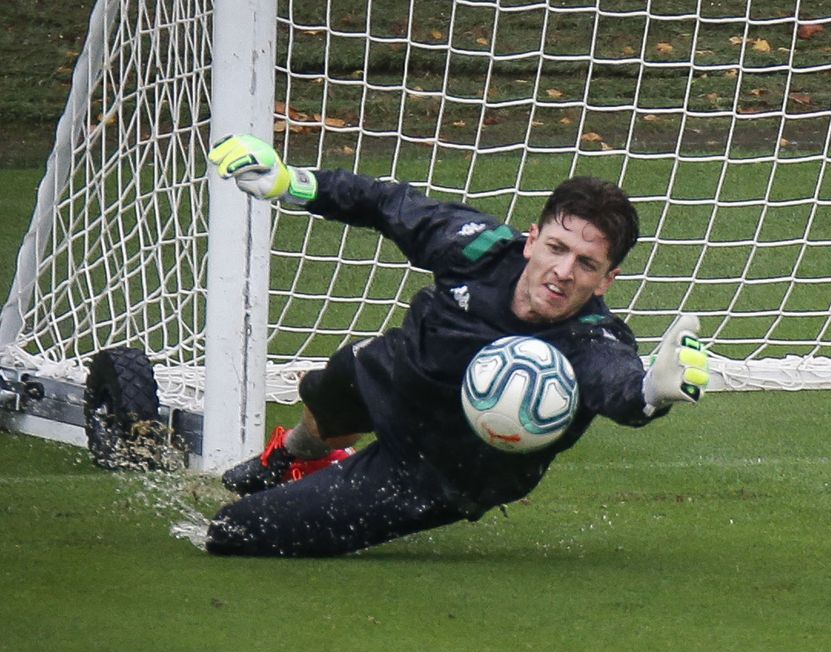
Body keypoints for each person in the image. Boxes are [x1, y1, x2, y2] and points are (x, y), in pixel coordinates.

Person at [202, 134, 709, 557]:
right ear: (532, 240)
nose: (562, 272)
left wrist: (651, 392)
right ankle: (293, 457)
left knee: (233, 533)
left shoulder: (592, 340)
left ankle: (324, 485)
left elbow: (619, 387)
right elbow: (387, 204)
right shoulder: (479, 246)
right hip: (399, 379)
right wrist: (293, 184)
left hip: (437, 471)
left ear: (606, 281)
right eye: (557, 248)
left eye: (586, 264)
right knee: (336, 386)